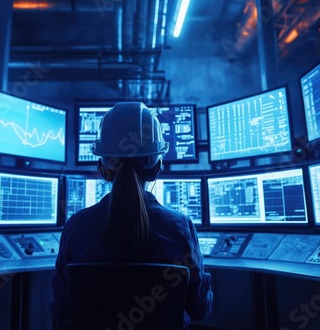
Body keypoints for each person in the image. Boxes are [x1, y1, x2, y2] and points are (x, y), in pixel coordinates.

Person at [50, 102, 213, 328]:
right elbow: (199, 308)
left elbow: (61, 309)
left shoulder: (76, 227)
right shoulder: (180, 227)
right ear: (156, 169)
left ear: (102, 168)